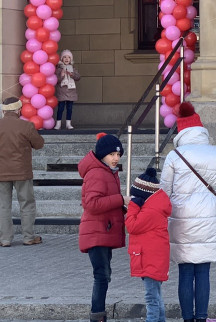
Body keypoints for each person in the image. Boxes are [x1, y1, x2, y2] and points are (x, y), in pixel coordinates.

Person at [161, 103, 216, 322]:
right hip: (209, 217)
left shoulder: (174, 156)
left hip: (181, 217)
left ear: (181, 131)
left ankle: (187, 319)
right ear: (201, 130)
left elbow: (164, 191)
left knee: (185, 272)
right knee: (203, 271)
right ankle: (201, 318)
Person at [79, 132, 126, 322]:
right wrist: (121, 199)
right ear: (102, 155)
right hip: (96, 233)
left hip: (101, 231)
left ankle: (98, 315)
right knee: (101, 276)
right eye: (112, 155)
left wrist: (122, 207)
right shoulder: (97, 173)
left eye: (118, 155)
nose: (116, 158)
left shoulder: (107, 172)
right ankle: (97, 316)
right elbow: (92, 204)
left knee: (104, 275)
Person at [0, 96, 45, 247]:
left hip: (1, 171)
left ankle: (5, 239)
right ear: (18, 110)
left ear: (4, 111)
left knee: (4, 206)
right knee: (26, 204)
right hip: (22, 171)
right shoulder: (26, 126)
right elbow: (38, 144)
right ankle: (28, 237)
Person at [125, 167, 172, 322]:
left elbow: (131, 226)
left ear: (143, 196)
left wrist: (133, 205)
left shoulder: (150, 210)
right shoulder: (155, 205)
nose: (133, 198)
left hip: (151, 260)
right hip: (153, 258)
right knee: (157, 297)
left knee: (151, 298)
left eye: (135, 195)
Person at [55, 49, 80, 129]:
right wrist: (62, 75)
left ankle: (68, 123)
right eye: (64, 57)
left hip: (71, 91)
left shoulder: (73, 68)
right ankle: (58, 123)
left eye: (68, 57)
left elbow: (78, 77)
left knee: (69, 108)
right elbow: (56, 80)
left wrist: (72, 74)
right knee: (61, 108)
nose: (66, 59)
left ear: (71, 59)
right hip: (62, 92)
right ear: (61, 59)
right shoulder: (59, 69)